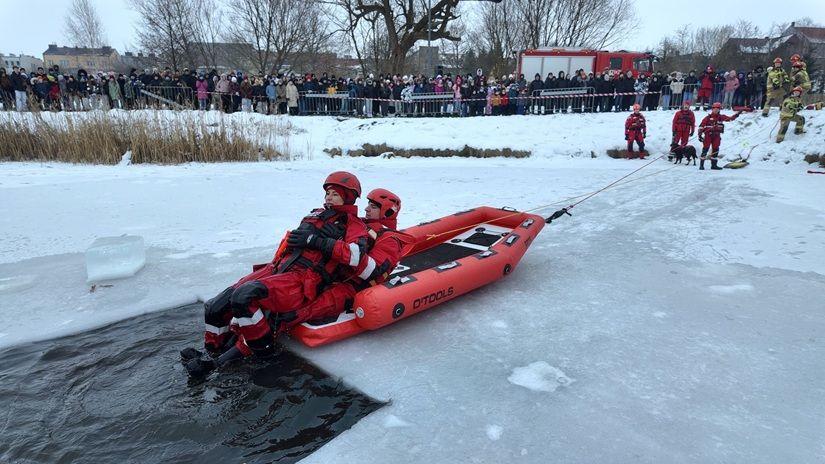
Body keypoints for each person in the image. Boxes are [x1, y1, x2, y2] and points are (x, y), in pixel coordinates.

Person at [186, 172, 370, 377]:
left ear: (349, 197)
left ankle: (264, 354)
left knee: (244, 297)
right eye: (328, 193)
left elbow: (356, 256)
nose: (328, 197)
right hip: (277, 269)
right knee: (215, 306)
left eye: (335, 194)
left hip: (303, 280)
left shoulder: (354, 225)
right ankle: (212, 350)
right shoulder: (315, 214)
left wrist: (317, 242)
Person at [698, 102, 741, 170]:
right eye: (714, 108)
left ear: (719, 109)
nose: (716, 110)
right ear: (712, 109)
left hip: (716, 136)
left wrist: (737, 114)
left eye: (717, 108)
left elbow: (730, 118)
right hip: (708, 136)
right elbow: (701, 126)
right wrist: (699, 135)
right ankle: (701, 165)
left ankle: (714, 165)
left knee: (715, 150)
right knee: (705, 149)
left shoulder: (721, 117)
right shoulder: (707, 118)